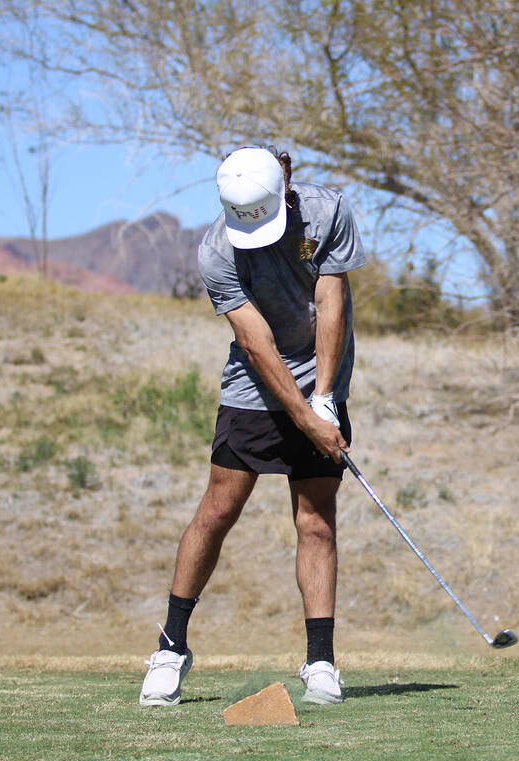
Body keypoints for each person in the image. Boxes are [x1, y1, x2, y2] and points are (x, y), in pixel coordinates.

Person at [139, 145, 365, 707]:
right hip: (252, 385)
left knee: (317, 522)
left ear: (284, 187)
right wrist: (302, 417)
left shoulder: (327, 212)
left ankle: (320, 663)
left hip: (322, 372)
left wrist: (326, 400)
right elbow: (254, 340)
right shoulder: (217, 250)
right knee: (217, 511)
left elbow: (330, 302)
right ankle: (172, 648)